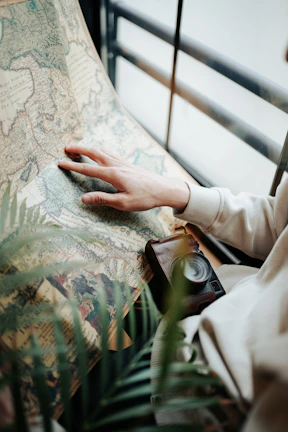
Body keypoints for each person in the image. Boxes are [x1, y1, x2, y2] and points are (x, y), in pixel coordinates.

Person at [58, 145, 288, 431]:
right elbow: (279, 223)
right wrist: (173, 191)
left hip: (190, 404)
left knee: (70, 398)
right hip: (210, 312)